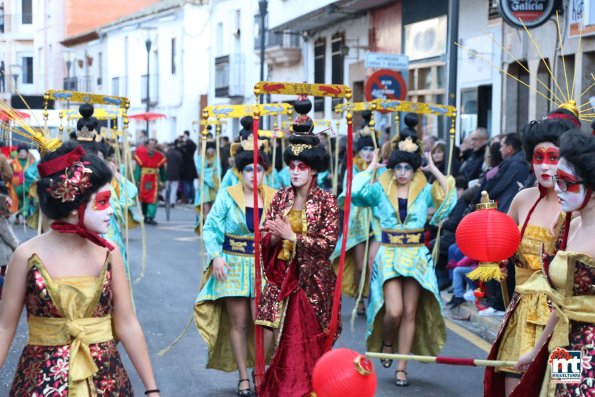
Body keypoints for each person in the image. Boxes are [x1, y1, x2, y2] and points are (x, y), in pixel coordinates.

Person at [0, 141, 160, 396]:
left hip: (107, 381)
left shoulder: (110, 253)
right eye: (103, 201)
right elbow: (4, 327)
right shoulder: (25, 256)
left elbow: (128, 323)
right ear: (74, 206)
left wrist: (152, 390)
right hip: (40, 384)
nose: (110, 210)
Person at [353, 115, 456, 387]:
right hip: (388, 254)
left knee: (410, 311)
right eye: (397, 167)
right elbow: (356, 194)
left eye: (407, 168)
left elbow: (448, 199)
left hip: (415, 255)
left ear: (413, 169)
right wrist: (372, 166)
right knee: (394, 311)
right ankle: (387, 341)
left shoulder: (423, 190)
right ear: (392, 166)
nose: (401, 172)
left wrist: (433, 169)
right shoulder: (381, 186)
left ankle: (402, 366)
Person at [483, 112, 576, 396]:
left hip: (565, 323)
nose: (545, 167)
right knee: (515, 389)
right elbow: (499, 246)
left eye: (554, 158)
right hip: (522, 315)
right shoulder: (523, 199)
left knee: (563, 390)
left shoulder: (579, 206)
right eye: (539, 158)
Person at [256, 96, 340, 396]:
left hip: (311, 283)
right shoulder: (279, 198)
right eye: (291, 165)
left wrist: (294, 237)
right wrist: (277, 236)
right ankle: (267, 384)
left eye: (301, 166)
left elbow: (328, 244)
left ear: (314, 170)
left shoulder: (328, 201)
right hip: (279, 278)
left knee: (300, 344)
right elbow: (266, 239)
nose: (294, 172)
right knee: (268, 333)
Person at [513, 128, 595, 397]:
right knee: (557, 392)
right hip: (563, 345)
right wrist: (536, 352)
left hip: (591, 356)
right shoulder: (572, 226)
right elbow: (562, 302)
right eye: (557, 180)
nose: (558, 189)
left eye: (567, 182)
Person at [194, 136, 276, 397]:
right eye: (248, 170)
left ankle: (260, 370)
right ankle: (243, 377)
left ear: (265, 171)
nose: (254, 174)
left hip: (264, 268)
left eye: (259, 169)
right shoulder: (228, 196)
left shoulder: (275, 198)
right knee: (239, 323)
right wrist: (216, 256)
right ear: (240, 172)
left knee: (265, 322)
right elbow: (210, 227)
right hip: (233, 266)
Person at [330, 110, 379, 314]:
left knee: (373, 265)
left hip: (377, 221)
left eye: (371, 148)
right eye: (364, 149)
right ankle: (360, 298)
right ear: (359, 151)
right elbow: (348, 193)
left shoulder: (382, 170)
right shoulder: (353, 169)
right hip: (359, 222)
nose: (367, 152)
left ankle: (375, 300)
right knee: (360, 266)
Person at [135, 138, 167, 225]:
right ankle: (145, 215)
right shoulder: (141, 155)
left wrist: (164, 180)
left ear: (156, 145)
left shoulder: (159, 156)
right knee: (144, 198)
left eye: (153, 144)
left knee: (153, 199)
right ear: (147, 145)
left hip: (154, 179)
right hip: (143, 179)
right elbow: (138, 169)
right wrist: (136, 180)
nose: (151, 147)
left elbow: (162, 169)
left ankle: (151, 216)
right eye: (150, 144)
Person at [166, 140, 183, 206]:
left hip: (167, 173)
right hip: (176, 173)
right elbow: (181, 164)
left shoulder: (166, 154)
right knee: (174, 188)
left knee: (166, 187)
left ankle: (165, 200)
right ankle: (172, 201)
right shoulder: (178, 154)